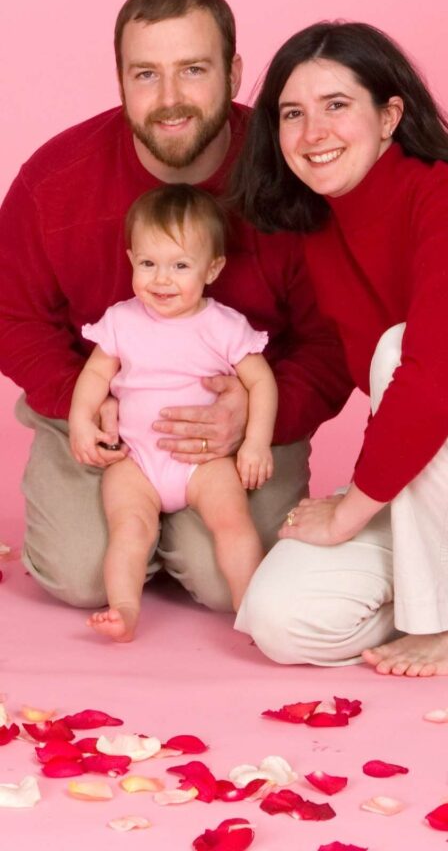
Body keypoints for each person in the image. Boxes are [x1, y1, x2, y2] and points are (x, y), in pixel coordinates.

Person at [231, 20, 448, 676]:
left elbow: (437, 383)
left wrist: (349, 511)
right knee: (282, 617)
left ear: (391, 115)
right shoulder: (321, 237)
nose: (312, 134)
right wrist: (245, 413)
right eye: (292, 114)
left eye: (337, 106)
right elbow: (333, 367)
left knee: (404, 353)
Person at [0, 0, 352, 612]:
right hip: (102, 416)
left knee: (230, 585)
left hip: (239, 429)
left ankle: (175, 542)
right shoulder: (55, 180)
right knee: (79, 578)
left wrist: (255, 418)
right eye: (145, 74)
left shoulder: (292, 175)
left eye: (193, 70)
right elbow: (10, 314)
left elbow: (333, 338)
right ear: (120, 80)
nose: (169, 100)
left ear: (234, 71)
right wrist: (84, 399)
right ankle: (135, 532)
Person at [70, 185, 277, 641]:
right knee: (130, 528)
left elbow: (261, 381)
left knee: (233, 523)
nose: (161, 280)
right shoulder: (122, 320)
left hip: (202, 463)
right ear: (131, 260)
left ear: (213, 268)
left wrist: (256, 442)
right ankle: (124, 609)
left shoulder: (222, 326)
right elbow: (95, 376)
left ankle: (253, 607)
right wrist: (81, 421)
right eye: (148, 264)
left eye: (180, 265)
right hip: (137, 460)